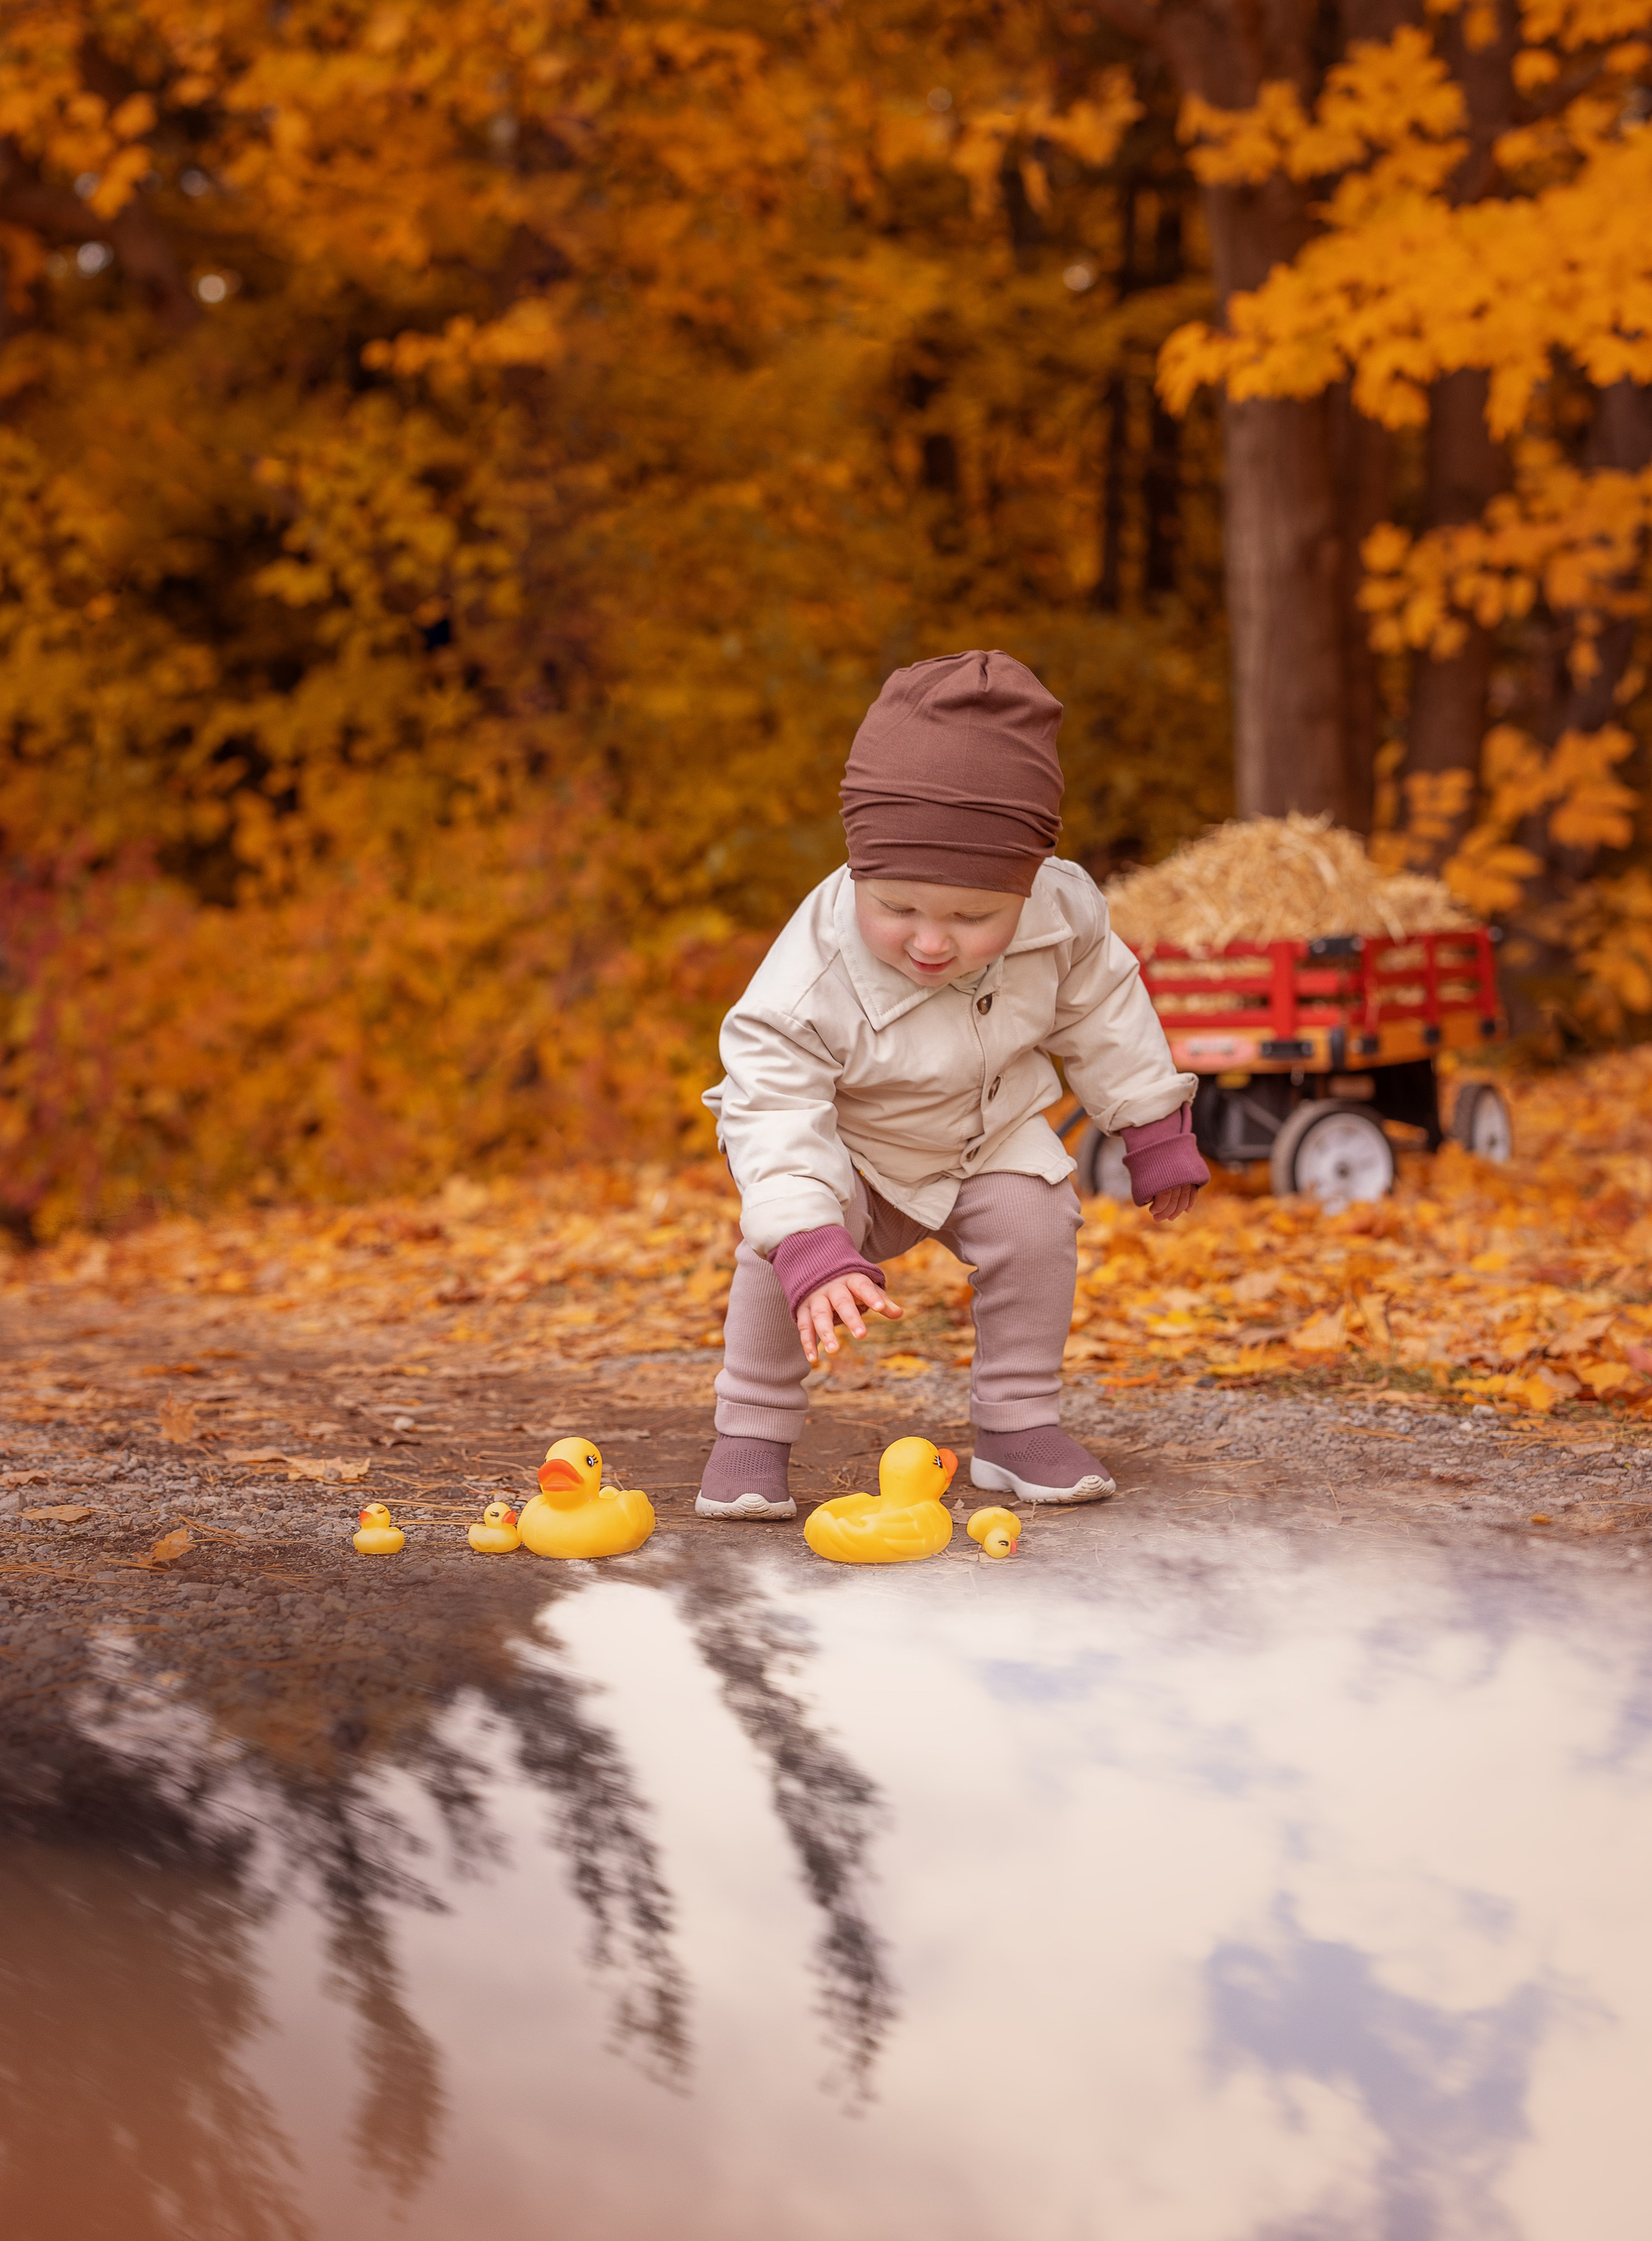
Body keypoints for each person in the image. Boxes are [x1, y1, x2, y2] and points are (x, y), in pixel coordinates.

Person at [698, 649, 1208, 1519]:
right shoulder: (814, 966)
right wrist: (809, 1238)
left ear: (1028, 883)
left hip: (987, 1130)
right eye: (897, 909)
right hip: (850, 1148)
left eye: (974, 918)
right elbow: (774, 1100)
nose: (932, 942)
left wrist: (1152, 1124)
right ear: (859, 866)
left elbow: (1104, 1008)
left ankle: (1017, 1426)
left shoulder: (1062, 911)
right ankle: (751, 1431)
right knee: (779, 1243)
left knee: (1038, 1215)